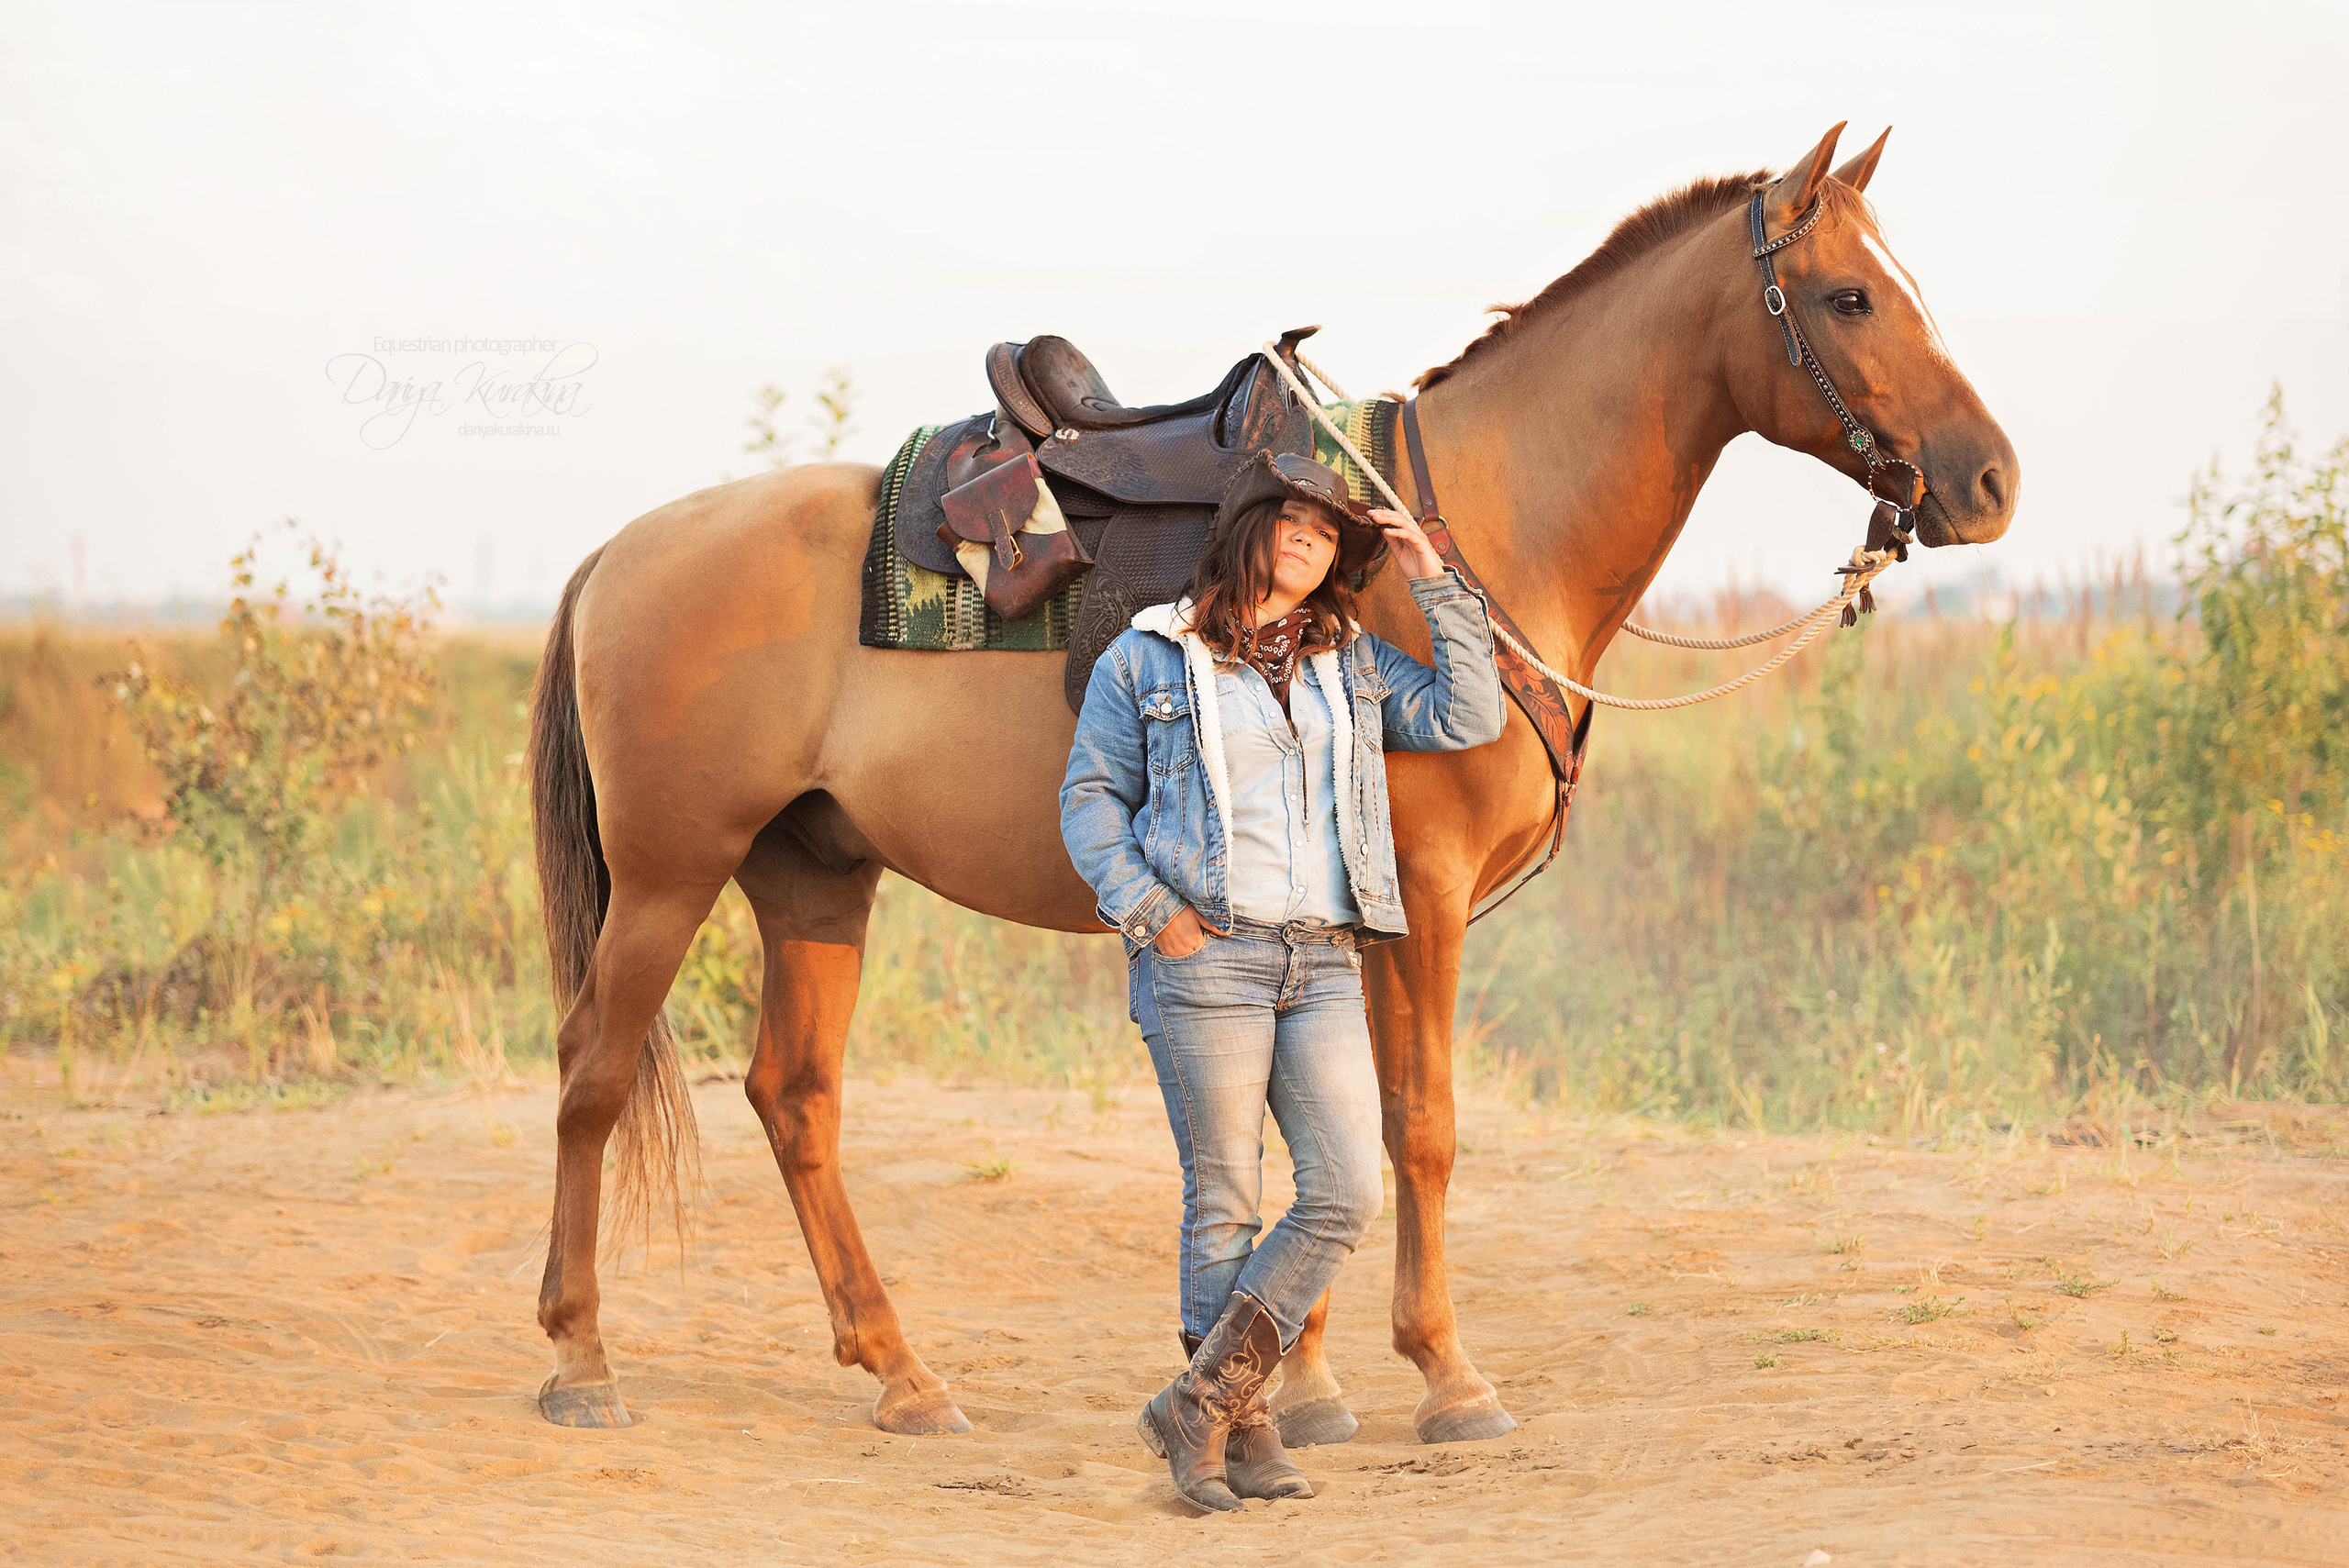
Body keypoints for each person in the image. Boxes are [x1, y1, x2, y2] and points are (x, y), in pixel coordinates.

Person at [1059, 450, 1507, 1512]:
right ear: (1250, 527)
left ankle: (1197, 1401)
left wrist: (1433, 577)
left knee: (1347, 1185)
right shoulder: (1148, 657)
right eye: (1292, 518)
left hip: (1321, 960)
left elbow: (1467, 715)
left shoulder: (1348, 663)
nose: (1309, 537)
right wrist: (1153, 912)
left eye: (1328, 530)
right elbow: (1088, 801)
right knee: (1222, 1200)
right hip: (1204, 952)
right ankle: (1242, 1429)